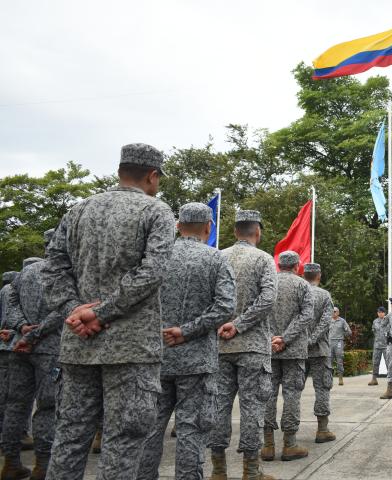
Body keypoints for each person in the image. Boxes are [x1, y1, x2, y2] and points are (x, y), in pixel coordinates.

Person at [41, 143, 176, 479]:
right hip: (131, 349)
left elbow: (53, 268)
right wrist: (102, 313)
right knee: (123, 441)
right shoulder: (155, 212)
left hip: (78, 346)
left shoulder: (77, 211)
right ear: (152, 175)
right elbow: (152, 272)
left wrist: (75, 310)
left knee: (70, 439)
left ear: (120, 171)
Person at [136, 202, 236, 480]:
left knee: (151, 428)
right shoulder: (215, 259)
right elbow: (226, 307)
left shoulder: (154, 258)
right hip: (196, 360)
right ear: (208, 227)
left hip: (154, 355)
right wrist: (187, 330)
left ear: (178, 227)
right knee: (192, 429)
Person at [209, 209, 276, 480]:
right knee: (252, 407)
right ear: (257, 231)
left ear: (235, 231)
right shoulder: (263, 259)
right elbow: (268, 299)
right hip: (253, 346)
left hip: (219, 345)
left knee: (218, 406)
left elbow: (205, 299)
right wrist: (240, 324)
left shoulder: (217, 257)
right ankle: (251, 470)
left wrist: (222, 324)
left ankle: (218, 470)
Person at [2, 248, 61, 479]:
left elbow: (12, 303)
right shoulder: (65, 272)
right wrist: (35, 333)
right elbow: (62, 310)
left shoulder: (25, 273)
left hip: (20, 347)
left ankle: (11, 462)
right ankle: (43, 464)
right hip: (49, 348)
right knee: (48, 406)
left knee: (16, 405)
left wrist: (22, 327)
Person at [262, 251, 313, 462]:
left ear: (279, 264)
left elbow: (259, 311)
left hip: (268, 348)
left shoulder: (268, 282)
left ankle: (268, 445)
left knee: (267, 394)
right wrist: (286, 338)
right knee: (292, 394)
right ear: (296, 266)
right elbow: (306, 315)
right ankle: (289, 444)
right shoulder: (303, 286)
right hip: (293, 350)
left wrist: (273, 339)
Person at [303, 262, 336, 444]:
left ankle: (286, 436)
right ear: (319, 275)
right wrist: (312, 340)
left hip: (295, 351)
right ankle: (322, 429)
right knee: (322, 388)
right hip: (319, 351)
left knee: (292, 392)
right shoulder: (323, 295)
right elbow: (325, 323)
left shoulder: (295, 291)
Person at [0, 271, 19, 434]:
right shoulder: (14, 289)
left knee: (6, 391)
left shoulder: (4, 291)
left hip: (5, 344)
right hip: (19, 343)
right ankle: (22, 433)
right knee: (18, 394)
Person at [329, 306, 351, 385]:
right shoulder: (328, 320)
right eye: (332, 311)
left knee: (339, 361)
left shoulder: (342, 321)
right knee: (329, 361)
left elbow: (349, 332)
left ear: (338, 313)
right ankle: (329, 379)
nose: (333, 313)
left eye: (335, 311)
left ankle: (340, 378)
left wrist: (343, 335)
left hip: (338, 342)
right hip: (329, 342)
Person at [368, 306, 388, 386]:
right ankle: (374, 379)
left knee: (388, 363)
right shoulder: (375, 321)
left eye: (382, 312)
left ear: (384, 313)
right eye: (379, 312)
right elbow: (374, 331)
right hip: (377, 345)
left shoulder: (388, 321)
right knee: (375, 362)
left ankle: (390, 380)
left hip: (386, 345)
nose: (380, 314)